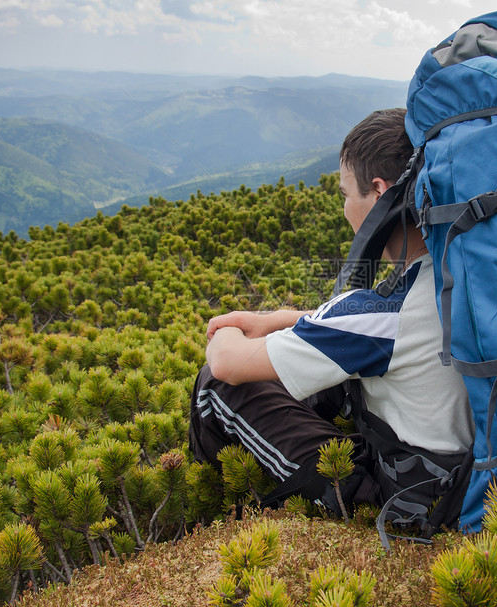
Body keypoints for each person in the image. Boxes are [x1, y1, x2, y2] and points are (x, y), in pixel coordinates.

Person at [189, 108, 474, 528]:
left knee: (213, 387)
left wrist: (224, 330)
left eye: (346, 194)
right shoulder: (450, 277)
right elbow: (365, 333)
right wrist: (283, 319)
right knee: (324, 379)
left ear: (378, 193)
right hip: (460, 474)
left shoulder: (382, 312)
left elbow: (227, 365)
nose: (344, 208)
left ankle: (225, 510)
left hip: (408, 497)